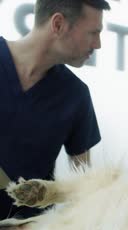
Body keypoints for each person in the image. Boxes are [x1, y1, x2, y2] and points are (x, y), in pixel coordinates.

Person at [0, 0, 111, 219]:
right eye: (93, 33)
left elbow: (82, 185)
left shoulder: (76, 95)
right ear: (58, 24)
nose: (98, 44)